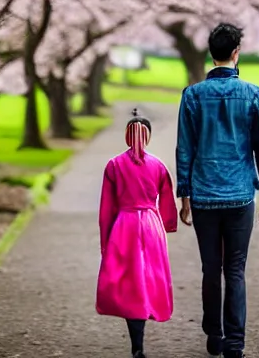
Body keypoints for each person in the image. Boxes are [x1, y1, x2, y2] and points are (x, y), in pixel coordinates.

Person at [176, 23, 259, 358]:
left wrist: (184, 194)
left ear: (211, 52)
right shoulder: (255, 95)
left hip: (204, 195)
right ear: (237, 52)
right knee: (235, 269)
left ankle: (214, 335)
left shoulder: (191, 95)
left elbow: (184, 149)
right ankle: (235, 343)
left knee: (210, 268)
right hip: (240, 195)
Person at [96, 108, 177, 358]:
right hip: (151, 225)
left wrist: (105, 239)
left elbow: (106, 208)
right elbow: (167, 201)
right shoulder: (159, 166)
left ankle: (137, 343)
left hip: (124, 225)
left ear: (127, 137)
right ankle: (145, 316)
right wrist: (169, 224)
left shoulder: (114, 165)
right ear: (148, 137)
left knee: (129, 281)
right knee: (148, 277)